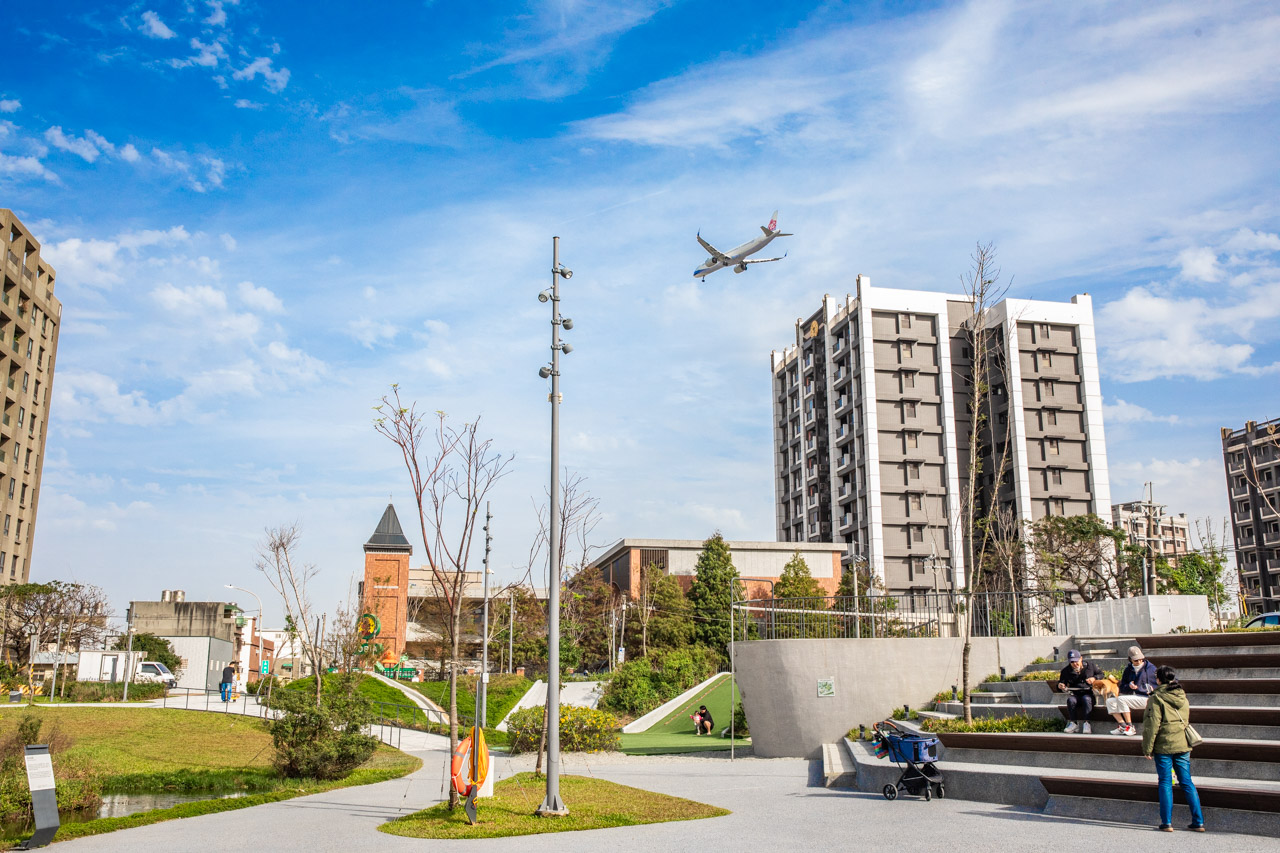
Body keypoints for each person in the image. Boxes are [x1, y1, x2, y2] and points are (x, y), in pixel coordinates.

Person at [1142, 665, 1205, 833]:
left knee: (1165, 782)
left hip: (1164, 745)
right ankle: (1198, 822)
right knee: (1187, 782)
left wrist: (1147, 748)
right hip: (1183, 744)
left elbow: (1151, 725)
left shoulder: (1156, 698)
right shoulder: (1182, 696)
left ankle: (1167, 822)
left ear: (1158, 680)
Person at [1108, 645, 1157, 736]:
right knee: (1110, 701)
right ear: (1130, 659)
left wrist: (1152, 690)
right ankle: (1123, 725)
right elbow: (1122, 687)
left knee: (1121, 699)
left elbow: (1160, 682)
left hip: (1147, 698)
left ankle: (1130, 726)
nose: (1139, 661)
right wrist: (1129, 686)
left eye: (1140, 659)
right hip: (1133, 697)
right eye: (1136, 660)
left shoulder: (1151, 668)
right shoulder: (1128, 670)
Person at [1057, 649, 1101, 734]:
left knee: (1086, 699)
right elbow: (1061, 683)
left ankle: (1087, 723)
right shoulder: (1066, 671)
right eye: (1072, 662)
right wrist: (1060, 686)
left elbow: (1101, 674)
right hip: (1076, 694)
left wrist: (1094, 678)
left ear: (1081, 658)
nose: (1074, 664)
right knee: (1071, 700)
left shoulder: (1090, 666)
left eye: (1076, 661)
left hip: (1089, 694)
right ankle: (1074, 723)